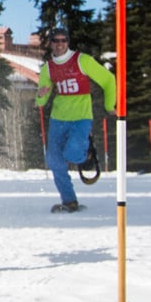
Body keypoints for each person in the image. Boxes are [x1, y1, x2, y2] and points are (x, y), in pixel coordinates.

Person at [35, 27, 116, 213]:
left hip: (81, 118)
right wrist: (41, 95)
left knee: (72, 154)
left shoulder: (82, 61)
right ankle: (69, 201)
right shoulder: (48, 68)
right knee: (54, 161)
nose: (60, 44)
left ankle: (86, 153)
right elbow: (41, 100)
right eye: (56, 40)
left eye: (63, 40)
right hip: (58, 119)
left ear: (68, 42)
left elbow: (109, 80)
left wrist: (109, 106)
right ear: (51, 43)